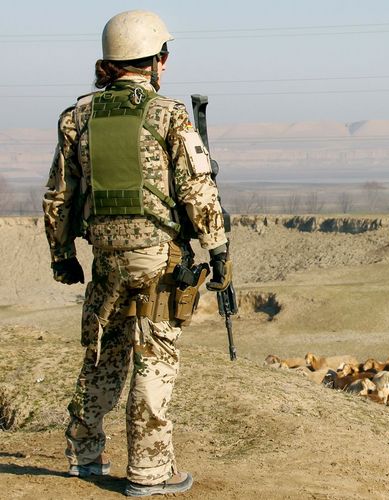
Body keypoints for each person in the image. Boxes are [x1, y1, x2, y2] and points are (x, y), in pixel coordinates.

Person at [43, 10, 232, 497]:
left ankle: (85, 456)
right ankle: (149, 472)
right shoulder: (169, 115)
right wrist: (219, 250)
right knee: (154, 358)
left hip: (105, 257)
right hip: (157, 259)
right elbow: (198, 193)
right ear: (156, 61)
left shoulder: (77, 117)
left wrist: (62, 254)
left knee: (103, 355)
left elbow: (60, 196)